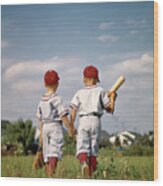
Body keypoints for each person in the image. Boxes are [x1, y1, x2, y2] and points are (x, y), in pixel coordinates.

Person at [70, 65, 116, 178]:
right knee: (93, 149)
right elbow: (110, 110)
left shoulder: (79, 92)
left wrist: (71, 126)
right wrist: (113, 99)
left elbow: (73, 110)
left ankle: (84, 164)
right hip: (96, 120)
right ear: (96, 79)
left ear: (84, 79)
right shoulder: (101, 91)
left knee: (82, 147)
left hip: (83, 120)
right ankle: (91, 173)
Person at [36, 69, 75, 177]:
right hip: (55, 126)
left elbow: (40, 118)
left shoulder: (42, 100)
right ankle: (52, 174)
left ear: (44, 83)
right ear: (57, 84)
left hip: (45, 127)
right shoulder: (57, 98)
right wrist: (70, 129)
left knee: (46, 152)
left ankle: (48, 174)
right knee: (54, 151)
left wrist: (41, 134)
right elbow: (63, 116)